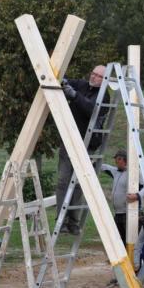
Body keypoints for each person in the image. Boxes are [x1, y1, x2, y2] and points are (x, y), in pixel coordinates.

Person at [55, 65, 108, 234]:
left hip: (87, 145)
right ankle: (61, 221)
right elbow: (67, 81)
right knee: (63, 181)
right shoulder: (82, 84)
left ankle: (73, 221)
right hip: (69, 140)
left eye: (98, 75)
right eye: (93, 73)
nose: (94, 77)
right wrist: (62, 81)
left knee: (79, 184)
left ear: (104, 79)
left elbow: (91, 109)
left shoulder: (104, 96)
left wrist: (74, 95)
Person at [100, 149, 144, 242]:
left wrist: (137, 196)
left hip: (131, 213)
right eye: (116, 159)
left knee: (133, 242)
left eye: (119, 159)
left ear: (126, 160)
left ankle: (135, 257)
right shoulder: (116, 171)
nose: (116, 161)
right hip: (118, 214)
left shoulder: (135, 172)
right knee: (119, 242)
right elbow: (103, 167)